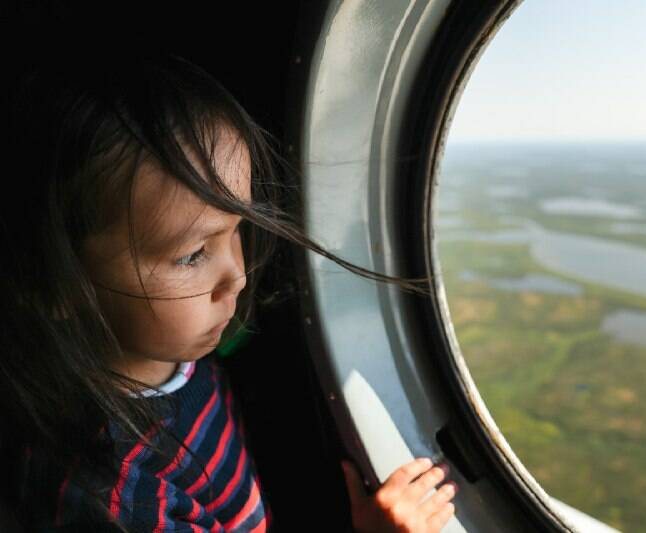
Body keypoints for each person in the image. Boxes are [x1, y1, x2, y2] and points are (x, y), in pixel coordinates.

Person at [0, 50, 457, 532]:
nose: (236, 275)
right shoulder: (118, 501)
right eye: (193, 254)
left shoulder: (179, 344)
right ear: (55, 284)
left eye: (237, 227)